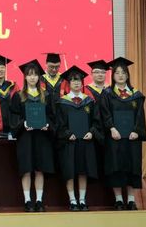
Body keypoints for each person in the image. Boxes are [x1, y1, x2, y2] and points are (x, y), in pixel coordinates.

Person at [100, 57, 146, 211]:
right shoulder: (107, 94)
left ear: (127, 75)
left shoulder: (136, 95)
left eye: (123, 73)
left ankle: (131, 200)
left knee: (132, 167)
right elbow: (105, 113)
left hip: (132, 138)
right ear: (113, 75)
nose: (120, 75)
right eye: (117, 73)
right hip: (115, 137)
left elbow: (140, 115)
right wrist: (111, 128)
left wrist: (137, 130)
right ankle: (119, 200)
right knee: (116, 167)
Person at [55, 66, 103, 211]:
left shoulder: (89, 101)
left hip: (85, 141)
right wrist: (67, 133)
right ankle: (72, 200)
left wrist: (92, 132)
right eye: (73, 80)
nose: (76, 83)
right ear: (68, 83)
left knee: (83, 170)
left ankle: (82, 199)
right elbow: (59, 123)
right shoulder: (62, 102)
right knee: (70, 171)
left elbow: (96, 121)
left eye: (79, 81)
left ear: (82, 83)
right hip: (69, 142)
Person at [10, 59, 55, 212]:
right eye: (29, 75)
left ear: (39, 77)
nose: (32, 77)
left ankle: (39, 200)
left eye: (35, 75)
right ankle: (28, 200)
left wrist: (47, 124)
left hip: (42, 137)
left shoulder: (46, 95)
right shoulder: (18, 96)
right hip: (26, 137)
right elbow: (14, 116)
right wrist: (22, 124)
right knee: (27, 168)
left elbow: (52, 116)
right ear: (25, 77)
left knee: (39, 168)